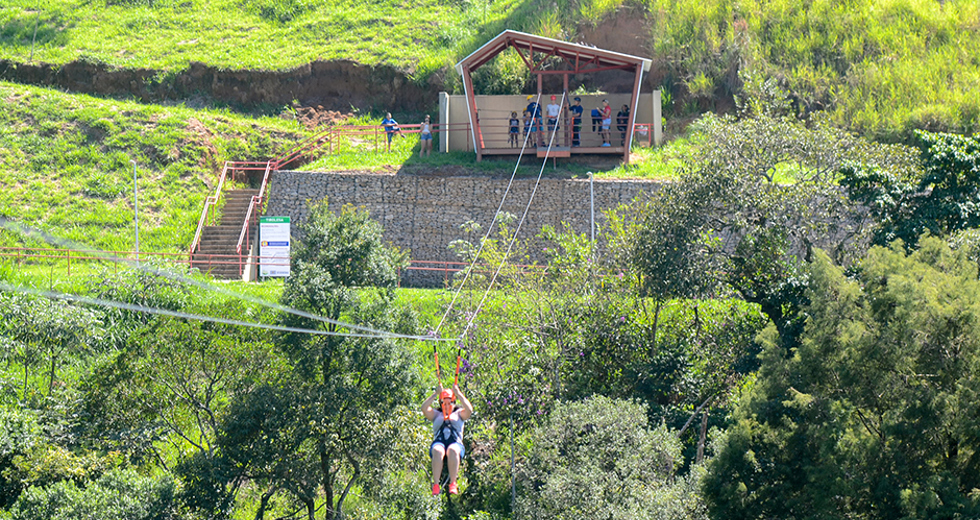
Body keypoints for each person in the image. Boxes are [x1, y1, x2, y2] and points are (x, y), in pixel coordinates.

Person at [423, 383, 473, 496]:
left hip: (455, 443)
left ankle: (453, 483)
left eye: (449, 403)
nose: (446, 406)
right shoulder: (436, 415)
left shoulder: (459, 414)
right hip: (439, 442)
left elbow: (469, 410)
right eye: (444, 404)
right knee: (437, 450)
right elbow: (424, 408)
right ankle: (436, 485)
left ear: (454, 403)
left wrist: (458, 393)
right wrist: (435, 394)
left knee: (453, 450)